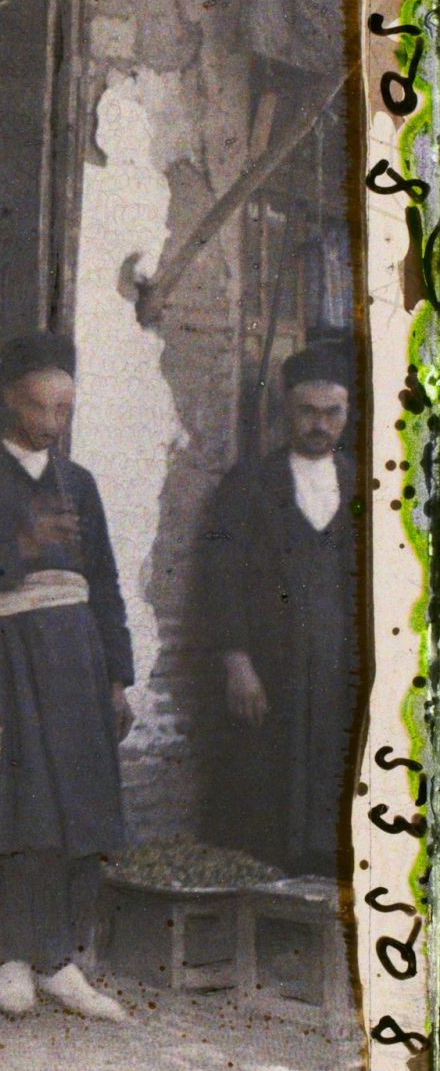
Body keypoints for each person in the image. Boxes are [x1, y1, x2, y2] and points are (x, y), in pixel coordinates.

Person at [0, 330, 136, 1022]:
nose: (52, 422)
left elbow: (105, 582)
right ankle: (14, 959)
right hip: (4, 652)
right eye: (40, 406)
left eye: (64, 409)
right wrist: (21, 545)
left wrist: (118, 676)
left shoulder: (80, 484)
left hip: (77, 655)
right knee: (23, 804)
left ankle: (61, 962)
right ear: (9, 400)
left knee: (79, 801)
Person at [201, 341, 358, 877]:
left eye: (332, 413)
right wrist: (237, 662)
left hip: (340, 671)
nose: (320, 425)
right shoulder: (249, 484)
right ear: (286, 410)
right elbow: (220, 577)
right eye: (307, 412)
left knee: (337, 776)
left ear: (347, 412)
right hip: (271, 667)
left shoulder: (365, 483)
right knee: (267, 787)